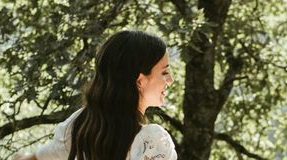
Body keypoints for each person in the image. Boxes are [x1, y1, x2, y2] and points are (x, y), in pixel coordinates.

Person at [13, 30, 176, 160]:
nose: (170, 80)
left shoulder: (79, 125)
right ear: (140, 81)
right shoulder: (153, 142)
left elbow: (39, 157)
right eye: (164, 72)